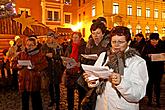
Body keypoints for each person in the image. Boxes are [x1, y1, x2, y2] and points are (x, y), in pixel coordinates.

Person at [83, 26, 149, 110]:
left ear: (128, 42)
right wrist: (92, 79)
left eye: (121, 42)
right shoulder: (104, 56)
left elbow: (138, 94)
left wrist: (121, 82)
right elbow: (96, 81)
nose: (116, 45)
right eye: (113, 42)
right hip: (102, 106)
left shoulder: (137, 62)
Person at [11, 37, 48, 110]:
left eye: (31, 45)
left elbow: (44, 64)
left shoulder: (40, 54)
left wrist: (34, 67)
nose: (29, 47)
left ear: (35, 45)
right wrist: (17, 65)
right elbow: (13, 63)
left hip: (34, 81)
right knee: (24, 101)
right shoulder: (22, 54)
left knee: (36, 101)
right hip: (23, 81)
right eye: (27, 45)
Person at [40, 35, 64, 110]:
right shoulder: (44, 46)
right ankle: (52, 99)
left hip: (57, 69)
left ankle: (57, 102)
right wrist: (45, 54)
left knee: (56, 86)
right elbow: (41, 55)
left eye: (52, 37)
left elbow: (61, 56)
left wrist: (53, 56)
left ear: (54, 38)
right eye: (48, 37)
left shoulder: (58, 46)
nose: (50, 39)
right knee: (50, 85)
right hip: (48, 69)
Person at [64, 32, 86, 110]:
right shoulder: (69, 46)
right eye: (73, 37)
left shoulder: (84, 47)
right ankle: (70, 107)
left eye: (76, 37)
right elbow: (66, 55)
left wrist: (81, 63)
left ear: (80, 38)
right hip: (70, 73)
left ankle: (80, 107)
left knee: (81, 93)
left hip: (79, 73)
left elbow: (86, 59)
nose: (74, 39)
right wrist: (65, 62)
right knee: (69, 93)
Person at [143, 33, 165, 108]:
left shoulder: (162, 45)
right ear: (150, 40)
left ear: (158, 40)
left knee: (158, 86)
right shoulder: (147, 46)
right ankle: (149, 100)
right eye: (152, 40)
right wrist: (147, 56)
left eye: (156, 40)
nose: (154, 42)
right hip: (149, 69)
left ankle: (158, 101)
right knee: (149, 85)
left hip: (159, 69)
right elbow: (142, 56)